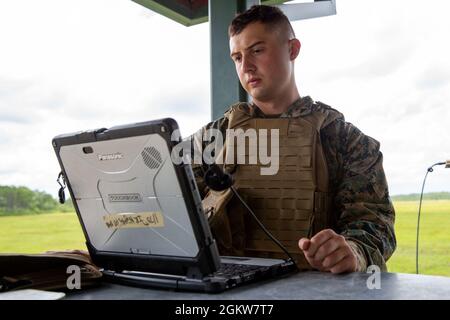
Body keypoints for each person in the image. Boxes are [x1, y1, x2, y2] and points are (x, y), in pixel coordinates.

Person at [189, 5, 396, 274]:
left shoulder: (343, 140)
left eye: (257, 50)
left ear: (293, 49)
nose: (246, 66)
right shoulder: (211, 140)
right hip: (228, 292)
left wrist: (353, 251)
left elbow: (377, 224)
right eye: (237, 57)